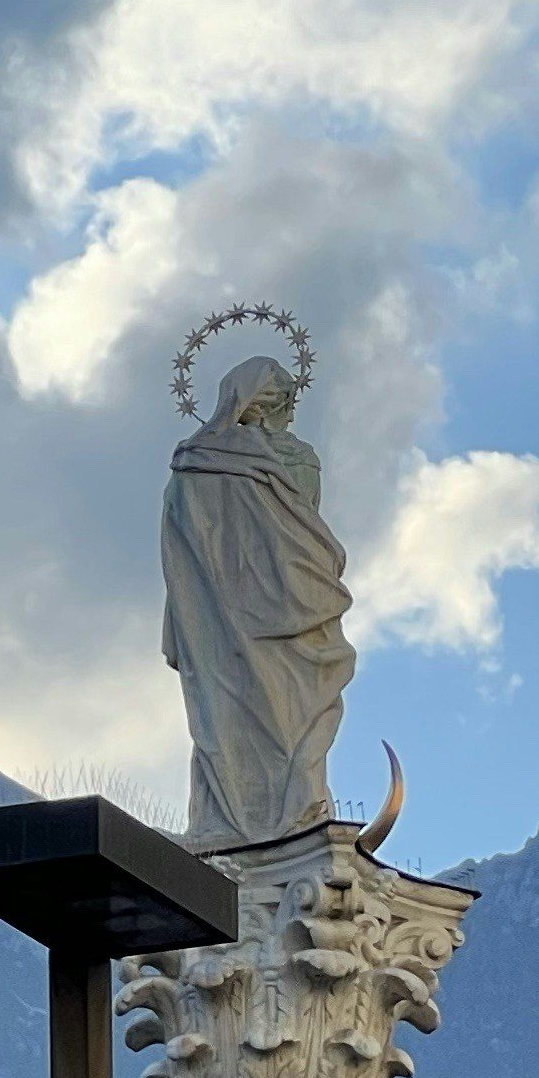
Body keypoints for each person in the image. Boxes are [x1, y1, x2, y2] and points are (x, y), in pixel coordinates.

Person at [162, 354, 357, 845]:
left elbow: (184, 541)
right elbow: (303, 523)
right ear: (272, 403)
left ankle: (263, 818)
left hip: (228, 612)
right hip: (281, 603)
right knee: (275, 712)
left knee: (240, 710)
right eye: (287, 399)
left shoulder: (195, 462)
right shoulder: (292, 459)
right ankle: (269, 818)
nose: (291, 410)